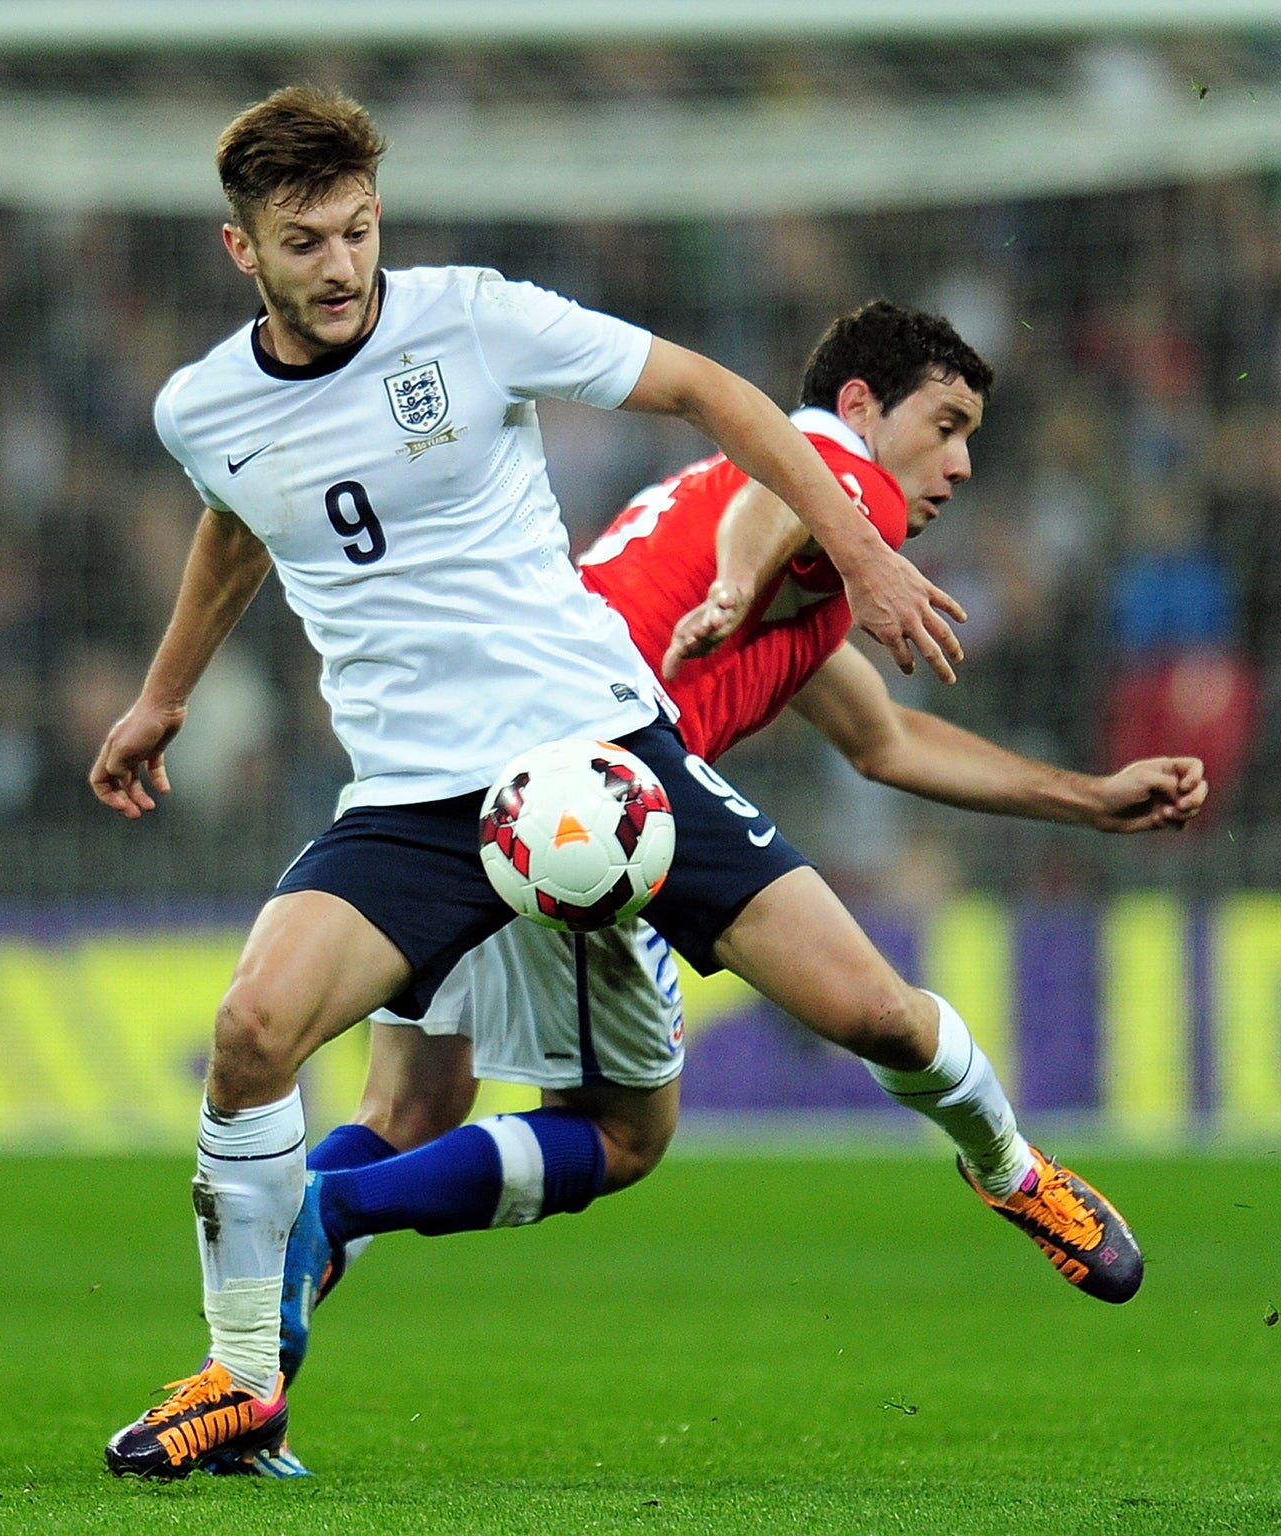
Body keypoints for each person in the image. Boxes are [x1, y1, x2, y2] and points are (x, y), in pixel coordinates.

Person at [92, 86, 1011, 1483]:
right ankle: (242, 1383)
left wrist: (868, 560)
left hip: (596, 753)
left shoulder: (471, 317)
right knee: (249, 1034)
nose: (339, 267)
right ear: (243, 254)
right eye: (303, 243)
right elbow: (238, 528)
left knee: (867, 1011)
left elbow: (709, 392)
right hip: (412, 799)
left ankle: (1008, 1166)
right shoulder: (199, 409)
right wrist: (164, 698)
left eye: (355, 231)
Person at [216, 302, 1205, 1477]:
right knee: (694, 1103)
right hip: (589, 784)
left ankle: (248, 1366)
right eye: (943, 424)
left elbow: (883, 739)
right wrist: (752, 576)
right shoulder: (842, 494)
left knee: (410, 1114)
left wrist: (1086, 799)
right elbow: (770, 504)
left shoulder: (785, 561)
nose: (959, 463)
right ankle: (1010, 1171)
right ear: (855, 408)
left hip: (464, 766)